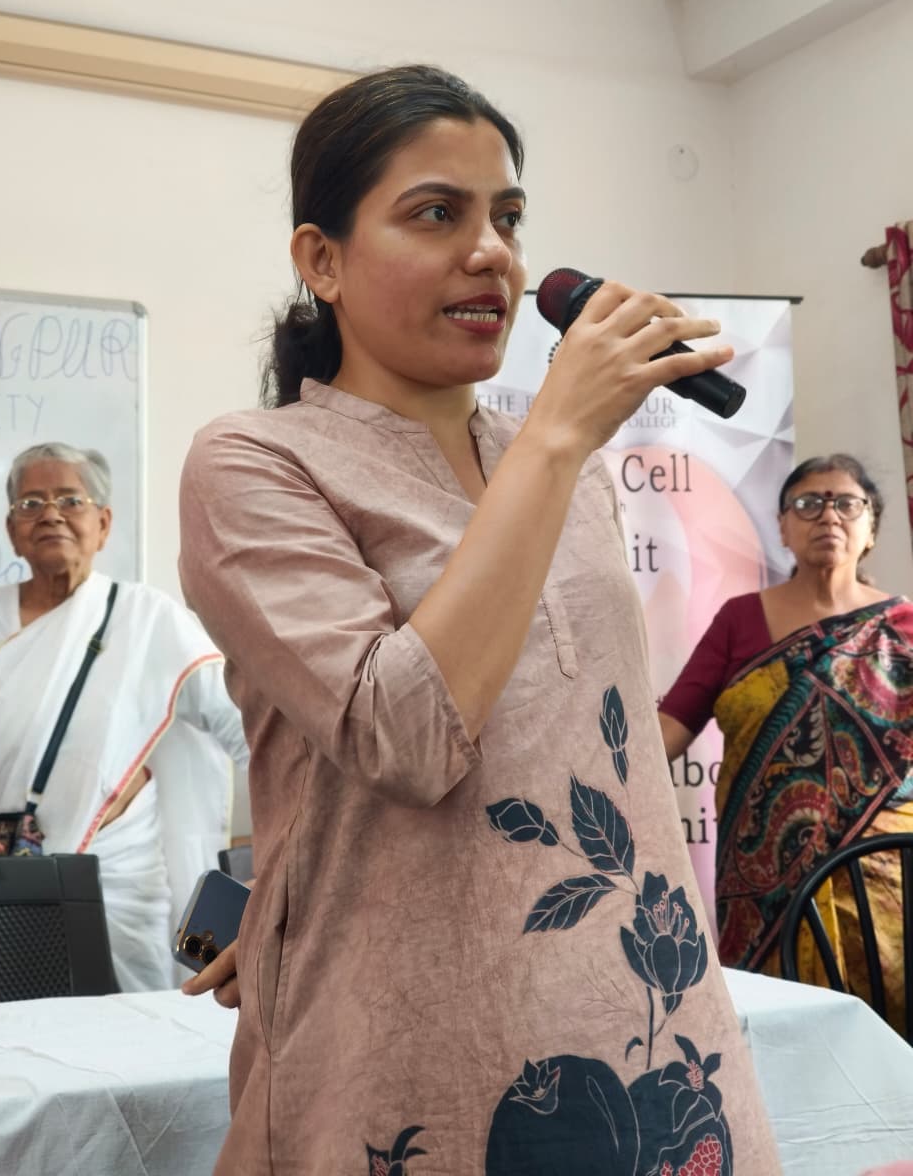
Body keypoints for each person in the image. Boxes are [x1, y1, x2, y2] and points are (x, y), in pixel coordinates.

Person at [179, 64, 780, 1174]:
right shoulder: (254, 462)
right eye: (436, 214)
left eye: (506, 216)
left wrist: (548, 446)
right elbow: (404, 738)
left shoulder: (566, 467)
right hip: (416, 1031)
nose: (492, 251)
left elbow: (587, 739)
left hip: (652, 1019)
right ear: (321, 259)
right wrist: (556, 435)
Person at [0, 442, 250, 991]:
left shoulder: (147, 618)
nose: (50, 514)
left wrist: (287, 840)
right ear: (12, 530)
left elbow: (249, 727)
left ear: (103, 523)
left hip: (118, 879)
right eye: (31, 504)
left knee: (128, 1031)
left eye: (70, 499)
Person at [660, 454, 913, 1031]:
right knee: (782, 1038)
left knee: (894, 1032)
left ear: (871, 527)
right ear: (782, 527)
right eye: (808, 503)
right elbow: (669, 730)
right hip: (763, 889)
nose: (828, 515)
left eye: (847, 503)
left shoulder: (904, 627)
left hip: (886, 876)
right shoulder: (740, 621)